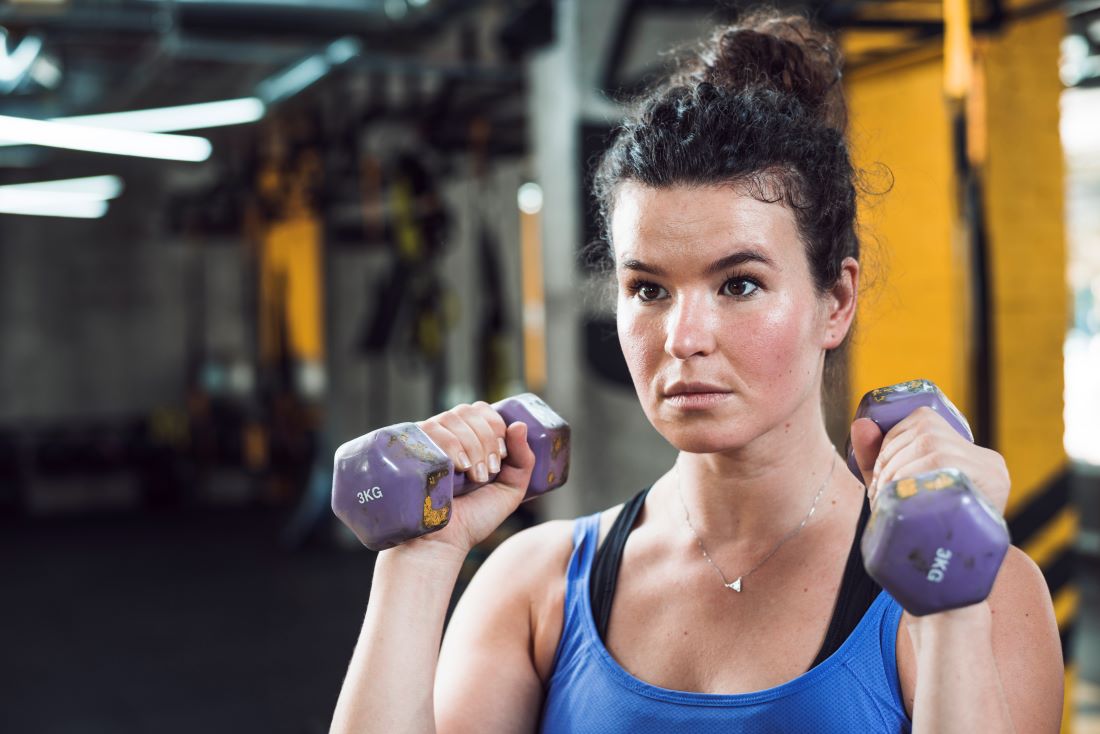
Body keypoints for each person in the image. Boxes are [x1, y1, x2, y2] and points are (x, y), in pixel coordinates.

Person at [330, 8, 1064, 733]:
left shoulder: (973, 587)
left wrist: (949, 605)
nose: (683, 338)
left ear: (835, 301)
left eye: (738, 284)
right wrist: (421, 560)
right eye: (648, 289)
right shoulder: (536, 586)